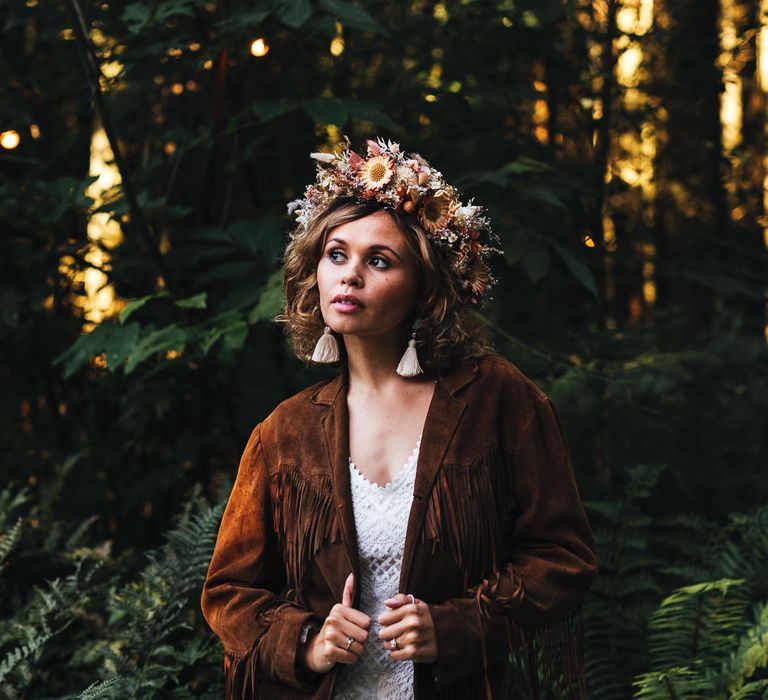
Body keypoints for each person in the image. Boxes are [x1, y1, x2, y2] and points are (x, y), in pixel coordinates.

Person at [201, 136, 598, 699]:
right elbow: (229, 591)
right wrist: (306, 641)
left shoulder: (497, 399)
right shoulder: (284, 432)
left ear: (425, 285)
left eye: (379, 260)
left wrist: (457, 627)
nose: (349, 275)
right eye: (336, 254)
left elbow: (563, 557)